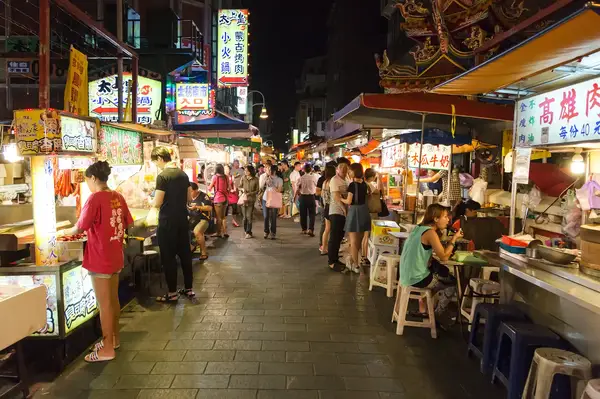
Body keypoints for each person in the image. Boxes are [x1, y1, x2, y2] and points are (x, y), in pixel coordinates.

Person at [58, 161, 133, 363]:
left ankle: (107, 348)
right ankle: (114, 339)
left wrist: (62, 232)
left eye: (87, 181)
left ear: (92, 178)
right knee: (113, 300)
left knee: (105, 304)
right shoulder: (117, 196)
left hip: (100, 257)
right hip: (116, 255)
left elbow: (80, 227)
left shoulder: (95, 198)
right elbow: (128, 222)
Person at [399, 203, 463, 326]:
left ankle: (423, 302)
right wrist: (454, 239)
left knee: (442, 273)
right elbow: (444, 257)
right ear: (435, 219)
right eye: (445, 216)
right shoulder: (430, 233)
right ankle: (437, 315)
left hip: (406, 274)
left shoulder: (418, 228)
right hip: (417, 278)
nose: (448, 219)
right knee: (451, 283)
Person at [150, 147, 195, 302]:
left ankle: (172, 293)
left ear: (160, 159)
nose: (157, 166)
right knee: (185, 255)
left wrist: (151, 201)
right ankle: (189, 289)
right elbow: (189, 197)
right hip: (183, 220)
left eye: (156, 162)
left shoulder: (162, 176)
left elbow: (157, 202)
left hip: (167, 221)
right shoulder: (183, 174)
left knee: (168, 257)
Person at [341, 163, 371, 273]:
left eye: (350, 170)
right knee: (359, 240)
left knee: (353, 241)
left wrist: (340, 198)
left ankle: (356, 266)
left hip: (354, 211)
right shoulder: (365, 184)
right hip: (364, 211)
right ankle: (354, 261)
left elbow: (349, 201)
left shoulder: (352, 185)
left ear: (354, 172)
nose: (349, 172)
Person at [328, 162, 349, 271]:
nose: (345, 173)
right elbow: (336, 197)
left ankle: (335, 258)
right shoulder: (334, 180)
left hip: (342, 212)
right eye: (343, 171)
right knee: (334, 237)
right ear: (338, 170)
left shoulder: (346, 179)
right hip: (336, 211)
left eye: (346, 171)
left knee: (339, 236)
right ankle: (331, 261)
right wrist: (344, 209)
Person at [363, 168, 382, 264]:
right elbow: (379, 191)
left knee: (366, 235)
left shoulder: (364, 184)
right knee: (368, 235)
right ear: (371, 177)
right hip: (371, 212)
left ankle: (364, 255)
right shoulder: (368, 185)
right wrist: (380, 179)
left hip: (366, 211)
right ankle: (365, 256)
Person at [188, 182, 212, 261]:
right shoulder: (187, 196)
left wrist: (197, 207)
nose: (190, 193)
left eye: (191, 191)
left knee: (197, 231)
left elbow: (209, 208)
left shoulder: (204, 196)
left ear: (196, 190)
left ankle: (204, 253)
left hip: (203, 219)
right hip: (191, 219)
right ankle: (191, 247)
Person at [260, 164, 283, 239]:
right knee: (266, 216)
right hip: (265, 198)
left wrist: (272, 184)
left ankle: (273, 232)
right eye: (268, 170)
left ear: (274, 171)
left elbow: (279, 190)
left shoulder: (279, 179)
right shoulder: (266, 177)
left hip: (274, 199)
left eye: (270, 170)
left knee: (273, 217)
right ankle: (266, 231)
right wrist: (265, 181)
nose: (269, 171)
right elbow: (261, 187)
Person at [318, 164, 337, 256]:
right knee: (333, 229)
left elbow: (321, 195)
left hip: (326, 207)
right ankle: (331, 248)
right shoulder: (332, 182)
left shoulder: (324, 182)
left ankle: (324, 248)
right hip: (332, 207)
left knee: (327, 229)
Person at [208, 164, 230, 239]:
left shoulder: (215, 177)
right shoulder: (226, 177)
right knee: (223, 217)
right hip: (225, 199)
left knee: (218, 217)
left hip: (218, 199)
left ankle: (218, 233)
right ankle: (225, 232)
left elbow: (210, 188)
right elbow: (229, 188)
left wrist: (209, 187)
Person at [296, 163, 318, 236]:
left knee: (303, 214)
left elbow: (297, 188)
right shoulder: (313, 178)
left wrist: (295, 197)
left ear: (304, 170)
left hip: (303, 197)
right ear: (311, 169)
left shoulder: (301, 178)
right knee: (312, 214)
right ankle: (311, 229)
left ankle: (304, 229)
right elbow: (317, 186)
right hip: (311, 197)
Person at [239, 164, 259, 239]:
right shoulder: (243, 178)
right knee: (244, 217)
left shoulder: (256, 179)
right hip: (243, 199)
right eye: (245, 170)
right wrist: (242, 190)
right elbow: (239, 186)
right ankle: (245, 230)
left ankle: (249, 232)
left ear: (250, 171)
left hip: (251, 200)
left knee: (249, 216)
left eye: (246, 170)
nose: (245, 172)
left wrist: (250, 193)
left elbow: (257, 190)